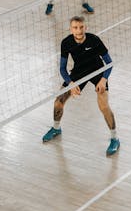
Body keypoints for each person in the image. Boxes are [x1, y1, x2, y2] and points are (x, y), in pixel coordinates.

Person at [41, 16, 118, 155]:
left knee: (104, 106)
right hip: (79, 72)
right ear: (71, 29)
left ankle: (114, 138)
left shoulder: (94, 40)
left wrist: (104, 79)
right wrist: (70, 83)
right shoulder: (66, 43)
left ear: (85, 28)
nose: (79, 30)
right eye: (75, 28)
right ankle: (56, 128)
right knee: (58, 102)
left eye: (81, 27)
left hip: (97, 71)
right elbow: (62, 69)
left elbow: (109, 63)